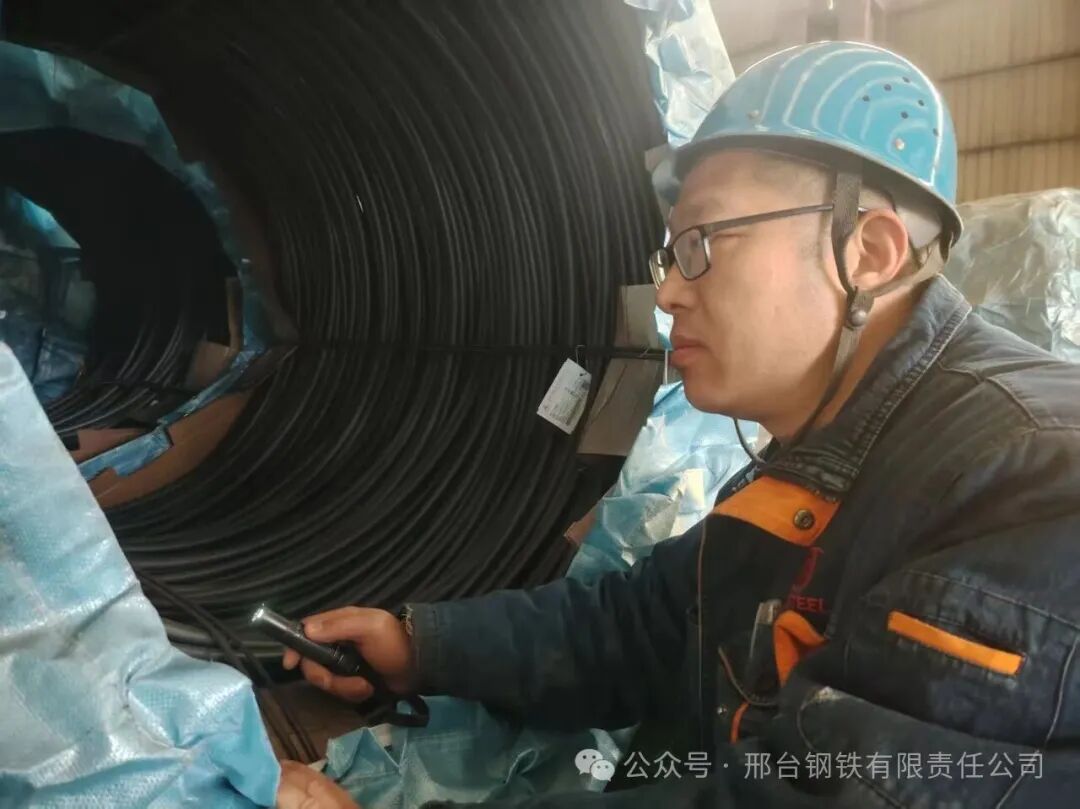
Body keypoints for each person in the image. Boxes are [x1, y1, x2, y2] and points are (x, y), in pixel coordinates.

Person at [277, 41, 1080, 808]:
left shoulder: (1032, 481)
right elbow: (650, 621)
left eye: (702, 242)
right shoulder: (825, 453)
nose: (667, 293)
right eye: (671, 255)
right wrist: (425, 647)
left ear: (867, 251)